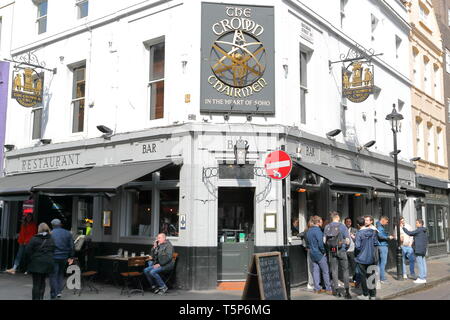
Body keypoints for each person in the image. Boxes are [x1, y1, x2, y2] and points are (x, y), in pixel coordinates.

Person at [324, 212, 352, 299]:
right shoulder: (342, 226)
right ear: (338, 217)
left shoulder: (327, 227)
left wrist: (330, 248)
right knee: (345, 270)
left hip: (332, 251)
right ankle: (347, 292)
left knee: (334, 270)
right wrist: (345, 247)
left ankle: (336, 291)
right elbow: (348, 240)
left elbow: (324, 241)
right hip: (342, 250)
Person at [24, 223, 55, 300]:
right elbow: (54, 249)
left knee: (36, 283)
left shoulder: (34, 238)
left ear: (39, 229)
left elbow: (27, 251)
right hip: (47, 263)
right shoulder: (51, 239)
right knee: (42, 281)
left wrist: (33, 257)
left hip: (36, 263)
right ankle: (41, 298)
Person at [355, 216, 379, 300]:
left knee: (363, 277)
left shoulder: (359, 233)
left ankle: (365, 294)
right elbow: (376, 243)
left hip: (361, 258)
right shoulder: (373, 232)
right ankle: (372, 295)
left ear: (358, 225)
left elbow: (357, 247)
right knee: (371, 276)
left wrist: (355, 239)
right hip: (371, 257)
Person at [306, 215, 332, 295]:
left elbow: (308, 243)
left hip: (312, 253)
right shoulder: (318, 231)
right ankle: (328, 289)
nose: (322, 222)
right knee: (325, 271)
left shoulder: (308, 231)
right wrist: (324, 251)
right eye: (321, 221)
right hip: (319, 254)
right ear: (318, 222)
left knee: (315, 271)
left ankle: (317, 288)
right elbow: (321, 243)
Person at [49, 219, 74, 300]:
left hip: (54, 257)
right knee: (60, 274)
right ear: (60, 224)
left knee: (53, 275)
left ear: (52, 225)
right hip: (64, 257)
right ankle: (59, 292)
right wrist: (71, 256)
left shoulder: (51, 233)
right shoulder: (68, 233)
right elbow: (72, 246)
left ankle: (53, 294)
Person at [402, 219, 428, 284]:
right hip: (423, 249)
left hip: (419, 249)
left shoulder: (419, 230)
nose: (416, 224)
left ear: (420, 224)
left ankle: (421, 278)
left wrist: (403, 227)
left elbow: (410, 233)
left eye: (416, 223)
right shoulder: (424, 230)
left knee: (420, 264)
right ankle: (424, 277)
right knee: (423, 263)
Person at [376, 216, 393, 284]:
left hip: (379, 246)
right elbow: (380, 236)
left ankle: (378, 278)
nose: (387, 223)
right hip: (382, 246)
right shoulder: (380, 227)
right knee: (383, 263)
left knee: (379, 263)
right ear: (383, 220)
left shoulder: (378, 226)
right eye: (387, 221)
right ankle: (382, 278)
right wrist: (388, 237)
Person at [298, 217, 314, 290]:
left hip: (309, 250)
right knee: (313, 267)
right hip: (314, 250)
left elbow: (299, 235)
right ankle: (312, 283)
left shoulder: (306, 232)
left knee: (311, 267)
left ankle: (312, 283)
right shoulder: (310, 231)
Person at [344, 217, 358, 285]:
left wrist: (354, 237)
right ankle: (346, 280)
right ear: (345, 222)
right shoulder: (342, 230)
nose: (348, 223)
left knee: (354, 266)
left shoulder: (354, 230)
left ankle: (355, 280)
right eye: (347, 221)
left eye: (350, 221)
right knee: (345, 267)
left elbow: (358, 240)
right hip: (345, 251)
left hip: (352, 250)